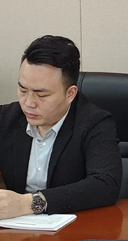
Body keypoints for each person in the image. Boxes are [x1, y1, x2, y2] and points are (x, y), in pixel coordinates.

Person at [0, 35, 121, 219]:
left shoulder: (95, 123)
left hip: (75, 228)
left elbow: (105, 184)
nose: (29, 103)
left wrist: (29, 203)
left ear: (70, 94)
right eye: (23, 90)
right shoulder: (6, 118)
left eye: (41, 95)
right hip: (17, 231)